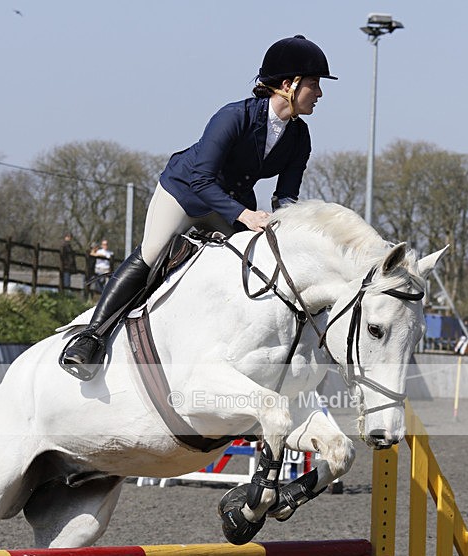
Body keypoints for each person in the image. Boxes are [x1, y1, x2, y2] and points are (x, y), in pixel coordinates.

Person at [60, 34, 337, 380]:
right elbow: (202, 180)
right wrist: (245, 215)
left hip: (231, 204)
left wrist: (290, 228)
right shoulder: (233, 116)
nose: (320, 94)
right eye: (314, 85)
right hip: (185, 191)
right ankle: (90, 338)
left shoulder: (299, 136)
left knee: (258, 264)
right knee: (152, 253)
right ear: (288, 84)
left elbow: (286, 197)